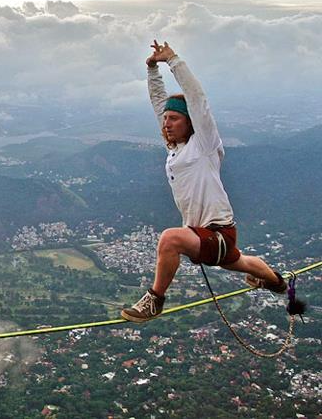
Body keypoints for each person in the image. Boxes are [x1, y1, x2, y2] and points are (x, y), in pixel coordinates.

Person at [121, 40, 287, 323]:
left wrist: (172, 59)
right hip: (210, 236)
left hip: (217, 233)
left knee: (170, 239)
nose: (167, 123)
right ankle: (276, 282)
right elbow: (160, 105)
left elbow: (196, 99)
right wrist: (151, 71)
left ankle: (155, 300)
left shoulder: (205, 144)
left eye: (174, 119)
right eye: (166, 120)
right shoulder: (176, 150)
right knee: (243, 263)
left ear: (190, 122)